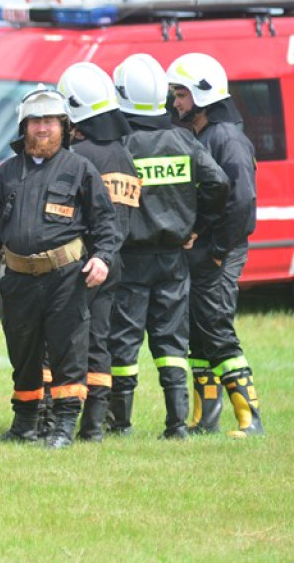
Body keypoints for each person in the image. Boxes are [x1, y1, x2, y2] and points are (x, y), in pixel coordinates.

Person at [0, 88, 120, 449]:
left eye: (50, 121)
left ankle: (63, 428)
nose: (43, 129)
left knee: (68, 351)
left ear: (64, 127)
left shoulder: (81, 169)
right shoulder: (4, 175)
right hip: (18, 279)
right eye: (35, 121)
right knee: (22, 353)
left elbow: (107, 225)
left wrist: (102, 258)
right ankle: (24, 424)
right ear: (24, 127)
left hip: (67, 278)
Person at [107, 54, 229, 439]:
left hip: (130, 259)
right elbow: (219, 184)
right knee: (172, 343)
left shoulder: (121, 146)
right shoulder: (184, 140)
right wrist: (197, 223)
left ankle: (120, 425)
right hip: (174, 258)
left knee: (123, 345)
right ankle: (177, 424)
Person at [166, 53, 264, 437]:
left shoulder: (227, 139)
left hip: (220, 251)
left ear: (203, 94)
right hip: (202, 249)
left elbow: (241, 202)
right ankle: (204, 420)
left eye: (181, 95)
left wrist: (219, 249)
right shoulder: (202, 135)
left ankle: (250, 419)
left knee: (216, 328)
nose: (176, 103)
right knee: (197, 334)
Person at [57, 63, 140, 442]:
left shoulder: (78, 156)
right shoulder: (123, 155)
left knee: (61, 342)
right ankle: (93, 426)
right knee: (100, 344)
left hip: (78, 264)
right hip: (113, 263)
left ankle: (50, 418)